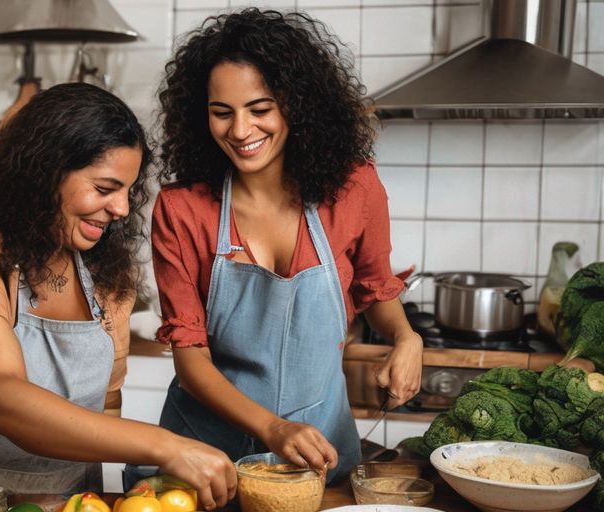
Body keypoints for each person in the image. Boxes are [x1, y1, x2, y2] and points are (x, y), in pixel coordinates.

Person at [0, 83, 237, 509]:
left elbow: (104, 410)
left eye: (127, 190)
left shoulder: (107, 274)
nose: (122, 209)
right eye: (105, 189)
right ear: (44, 172)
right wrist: (166, 446)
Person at [147, 9, 424, 483]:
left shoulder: (354, 189)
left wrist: (406, 338)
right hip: (206, 461)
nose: (239, 131)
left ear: (296, 104)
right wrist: (272, 429)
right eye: (221, 113)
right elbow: (191, 359)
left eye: (259, 109)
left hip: (317, 455)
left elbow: (378, 287)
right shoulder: (182, 210)